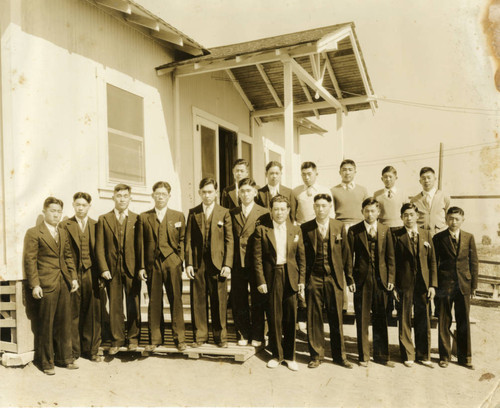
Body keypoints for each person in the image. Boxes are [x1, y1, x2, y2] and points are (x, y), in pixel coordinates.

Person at [23, 197, 79, 375]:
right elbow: (30, 260)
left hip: (63, 282)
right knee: (46, 324)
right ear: (44, 212)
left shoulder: (62, 232)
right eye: (53, 211)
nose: (56, 215)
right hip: (45, 284)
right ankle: (47, 362)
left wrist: (74, 278)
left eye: (59, 211)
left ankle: (65, 358)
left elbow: (68, 256)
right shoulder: (33, 233)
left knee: (64, 322)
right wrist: (35, 285)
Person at [253, 195, 305, 371]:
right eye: (276, 209)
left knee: (291, 317)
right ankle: (276, 355)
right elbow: (257, 258)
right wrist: (261, 280)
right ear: (271, 210)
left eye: (283, 209)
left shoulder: (296, 230)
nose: (279, 212)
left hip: (291, 275)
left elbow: (301, 258)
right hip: (272, 276)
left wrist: (301, 281)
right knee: (274, 316)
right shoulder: (262, 230)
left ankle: (290, 356)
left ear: (288, 210)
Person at [301, 194, 353, 369]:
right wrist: (303, 280)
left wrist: (348, 278)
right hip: (313, 278)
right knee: (314, 318)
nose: (320, 209)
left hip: (334, 278)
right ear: (313, 207)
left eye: (324, 205)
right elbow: (301, 256)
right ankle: (316, 355)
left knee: (336, 317)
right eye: (317, 206)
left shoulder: (339, 226)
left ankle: (340, 356)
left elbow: (346, 255)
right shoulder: (305, 228)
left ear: (330, 207)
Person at [137, 182, 186, 352]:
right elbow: (141, 244)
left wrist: (180, 260)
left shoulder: (178, 216)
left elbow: (182, 240)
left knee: (176, 300)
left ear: (169, 196)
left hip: (172, 262)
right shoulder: (144, 217)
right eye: (157, 193)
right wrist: (142, 267)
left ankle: (179, 339)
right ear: (152, 196)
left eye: (163, 194)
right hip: (153, 264)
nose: (160, 197)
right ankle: (155, 339)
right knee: (154, 301)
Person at [185, 178, 234, 348]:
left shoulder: (224, 212)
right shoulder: (193, 212)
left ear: (216, 193)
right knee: (198, 300)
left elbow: (230, 240)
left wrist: (227, 264)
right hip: (198, 263)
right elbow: (189, 240)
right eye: (204, 192)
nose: (207, 195)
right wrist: (189, 263)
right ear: (199, 193)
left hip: (218, 263)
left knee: (219, 300)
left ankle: (221, 338)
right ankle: (200, 336)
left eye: (210, 192)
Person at [347, 198, 395, 367]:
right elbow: (348, 258)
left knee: (381, 317)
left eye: (373, 211)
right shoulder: (354, 231)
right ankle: (363, 357)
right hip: (362, 281)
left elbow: (390, 258)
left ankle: (382, 356)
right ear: (362, 212)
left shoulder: (385, 230)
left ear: (378, 212)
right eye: (366, 211)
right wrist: (350, 279)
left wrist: (390, 278)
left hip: (381, 281)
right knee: (362, 319)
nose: (369, 214)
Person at [96, 184, 141, 355]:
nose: (122, 199)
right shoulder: (104, 219)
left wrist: (140, 268)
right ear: (113, 198)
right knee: (115, 305)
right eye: (119, 196)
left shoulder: (137, 219)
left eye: (125, 196)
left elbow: (140, 247)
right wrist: (103, 268)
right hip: (111, 270)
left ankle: (133, 338)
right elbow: (99, 247)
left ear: (130, 198)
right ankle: (117, 339)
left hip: (132, 267)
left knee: (133, 303)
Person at [433, 207, 478, 370]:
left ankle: (465, 357)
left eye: (457, 219)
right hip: (444, 286)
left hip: (463, 286)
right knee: (444, 320)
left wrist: (473, 285)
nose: (453, 222)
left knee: (463, 320)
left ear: (462, 220)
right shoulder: (438, 238)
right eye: (450, 218)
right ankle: (444, 356)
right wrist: (435, 285)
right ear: (446, 220)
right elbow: (434, 263)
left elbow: (473, 262)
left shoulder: (469, 237)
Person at [393, 203, 437, 368]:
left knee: (423, 318)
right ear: (402, 217)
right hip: (404, 284)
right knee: (404, 319)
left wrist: (432, 285)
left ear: (417, 216)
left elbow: (432, 261)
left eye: (411, 214)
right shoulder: (396, 235)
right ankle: (407, 354)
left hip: (423, 284)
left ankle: (423, 354)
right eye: (405, 215)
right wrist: (395, 287)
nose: (409, 218)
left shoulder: (426, 234)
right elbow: (393, 262)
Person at [60, 192, 102, 363]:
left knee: (92, 313)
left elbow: (101, 251)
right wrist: (71, 276)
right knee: (73, 313)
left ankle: (91, 350)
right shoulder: (65, 225)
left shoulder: (96, 224)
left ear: (89, 207)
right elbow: (63, 253)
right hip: (74, 274)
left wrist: (101, 275)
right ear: (73, 205)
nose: (80, 208)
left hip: (92, 273)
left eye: (84, 205)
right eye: (78, 204)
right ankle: (73, 351)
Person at [229, 178, 269, 346]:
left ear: (255, 193)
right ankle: (243, 333)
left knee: (258, 299)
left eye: (248, 191)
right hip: (238, 262)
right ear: (238, 193)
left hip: (256, 262)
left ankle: (258, 335)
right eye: (242, 191)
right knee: (239, 299)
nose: (245, 194)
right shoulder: (232, 212)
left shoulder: (264, 212)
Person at [410, 167, 450, 235]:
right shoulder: (414, 200)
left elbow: (449, 217)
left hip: (441, 234)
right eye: (423, 178)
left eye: (429, 177)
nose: (426, 180)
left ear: (435, 179)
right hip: (422, 235)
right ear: (420, 181)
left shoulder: (444, 196)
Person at [330, 159, 369, 229]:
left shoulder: (363, 190)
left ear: (355, 172)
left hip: (360, 225)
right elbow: (330, 212)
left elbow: (368, 210)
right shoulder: (333, 191)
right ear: (340, 172)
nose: (347, 173)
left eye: (350, 170)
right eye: (344, 170)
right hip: (340, 226)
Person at [292, 161, 332, 225]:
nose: (306, 177)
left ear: (316, 174)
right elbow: (292, 214)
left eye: (309, 174)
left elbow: (331, 213)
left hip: (319, 227)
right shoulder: (296, 191)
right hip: (301, 227)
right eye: (304, 174)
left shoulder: (325, 191)